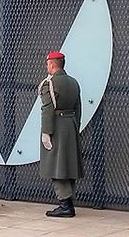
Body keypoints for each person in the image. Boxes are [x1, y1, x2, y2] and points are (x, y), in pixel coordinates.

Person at [38, 51, 82, 218]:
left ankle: (65, 205)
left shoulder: (48, 84)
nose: (46, 66)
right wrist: (75, 127)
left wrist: (46, 132)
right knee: (69, 165)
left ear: (52, 64)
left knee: (57, 166)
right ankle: (68, 203)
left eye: (47, 63)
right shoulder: (73, 82)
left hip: (56, 126)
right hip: (70, 124)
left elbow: (47, 110)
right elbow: (78, 107)